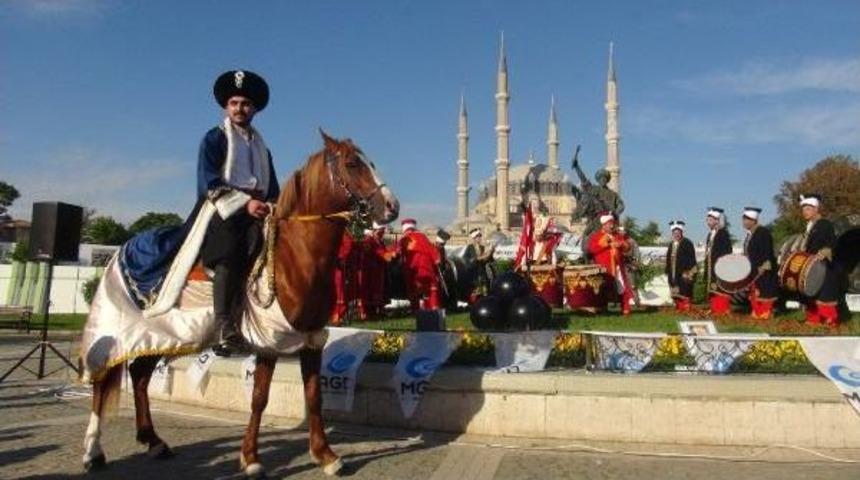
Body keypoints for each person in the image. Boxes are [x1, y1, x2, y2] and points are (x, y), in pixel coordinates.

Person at [201, 70, 280, 356]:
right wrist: (245, 204)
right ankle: (223, 325)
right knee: (228, 252)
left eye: (245, 104)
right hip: (224, 208)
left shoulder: (263, 148)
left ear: (254, 109)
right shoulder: (215, 138)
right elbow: (209, 181)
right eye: (234, 103)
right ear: (226, 106)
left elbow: (272, 187)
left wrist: (272, 204)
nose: (239, 109)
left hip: (259, 211)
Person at [797, 194, 840, 325]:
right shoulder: (810, 226)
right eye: (803, 209)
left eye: (808, 209)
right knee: (812, 292)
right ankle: (813, 319)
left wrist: (827, 250)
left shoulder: (825, 224)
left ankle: (830, 320)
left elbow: (832, 241)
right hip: (811, 267)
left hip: (823, 267)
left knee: (824, 294)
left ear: (816, 209)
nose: (805, 212)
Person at [587, 212, 633, 315]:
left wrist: (621, 244)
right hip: (604, 267)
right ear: (604, 225)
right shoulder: (597, 236)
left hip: (618, 266)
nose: (612, 226)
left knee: (622, 286)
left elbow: (628, 247)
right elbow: (591, 249)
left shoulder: (617, 235)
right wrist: (605, 243)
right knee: (604, 288)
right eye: (609, 224)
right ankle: (602, 308)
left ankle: (625, 308)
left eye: (613, 224)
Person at [395, 218, 442, 311]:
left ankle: (415, 309)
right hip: (426, 268)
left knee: (413, 290)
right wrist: (436, 259)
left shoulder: (403, 239)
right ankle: (433, 308)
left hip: (412, 269)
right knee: (430, 289)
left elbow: (397, 252)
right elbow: (432, 250)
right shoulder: (422, 236)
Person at [741, 207, 779, 320]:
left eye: (747, 219)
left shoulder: (763, 232)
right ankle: (757, 312)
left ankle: (765, 313)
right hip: (752, 270)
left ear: (754, 220)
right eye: (743, 219)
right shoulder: (750, 234)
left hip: (763, 270)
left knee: (764, 291)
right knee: (754, 292)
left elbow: (767, 251)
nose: (744, 222)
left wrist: (764, 266)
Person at [358, 223, 390, 320]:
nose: (383, 233)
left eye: (383, 231)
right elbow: (379, 253)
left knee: (377, 290)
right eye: (381, 231)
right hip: (369, 271)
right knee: (369, 291)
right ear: (376, 230)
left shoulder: (379, 241)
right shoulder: (369, 241)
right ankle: (367, 313)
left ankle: (376, 311)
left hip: (378, 270)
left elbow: (383, 252)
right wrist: (389, 255)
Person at [704, 207, 733, 316]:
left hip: (720, 267)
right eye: (707, 220)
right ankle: (714, 308)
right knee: (713, 288)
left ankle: (722, 310)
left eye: (710, 220)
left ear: (717, 220)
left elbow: (727, 251)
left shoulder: (723, 233)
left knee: (720, 288)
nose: (708, 222)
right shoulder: (710, 235)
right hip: (711, 267)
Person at [665, 220, 696, 312]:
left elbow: (691, 258)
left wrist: (689, 272)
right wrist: (668, 270)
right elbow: (668, 258)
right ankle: (679, 307)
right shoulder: (671, 244)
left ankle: (686, 308)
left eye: (678, 232)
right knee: (675, 288)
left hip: (684, 272)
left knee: (684, 289)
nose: (676, 234)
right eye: (674, 233)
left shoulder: (687, 243)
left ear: (681, 232)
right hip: (673, 272)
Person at [331, 231, 359, 325]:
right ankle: (336, 316)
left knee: (343, 292)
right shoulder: (342, 233)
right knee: (340, 291)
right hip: (338, 266)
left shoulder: (345, 233)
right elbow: (347, 246)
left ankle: (338, 315)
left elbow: (349, 247)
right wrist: (341, 257)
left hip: (343, 266)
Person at [469, 227, 496, 298]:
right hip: (475, 274)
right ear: (474, 238)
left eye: (480, 236)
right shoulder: (470, 247)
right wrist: (487, 253)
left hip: (482, 273)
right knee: (476, 294)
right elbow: (476, 259)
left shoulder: (482, 247)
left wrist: (491, 252)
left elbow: (485, 260)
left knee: (485, 293)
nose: (480, 237)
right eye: (478, 236)